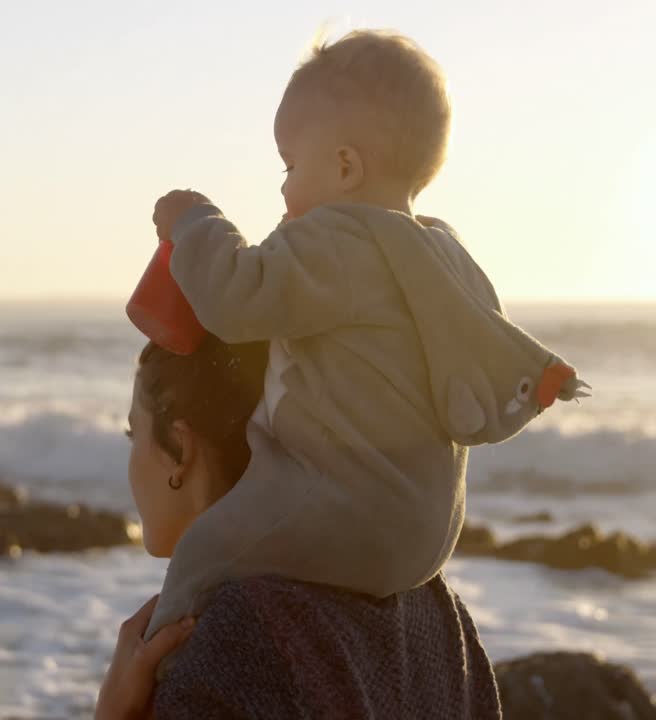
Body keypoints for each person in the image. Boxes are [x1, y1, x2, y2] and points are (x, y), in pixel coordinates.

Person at [138, 29, 588, 642]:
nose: (283, 188)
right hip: (427, 534)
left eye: (291, 166)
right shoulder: (443, 252)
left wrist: (196, 222)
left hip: (338, 508)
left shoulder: (339, 240)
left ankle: (159, 677)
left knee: (201, 556)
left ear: (345, 166)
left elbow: (236, 298)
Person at [95, 338, 501, 719]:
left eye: (134, 434)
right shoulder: (433, 605)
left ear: (180, 450)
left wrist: (113, 713)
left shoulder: (226, 644)